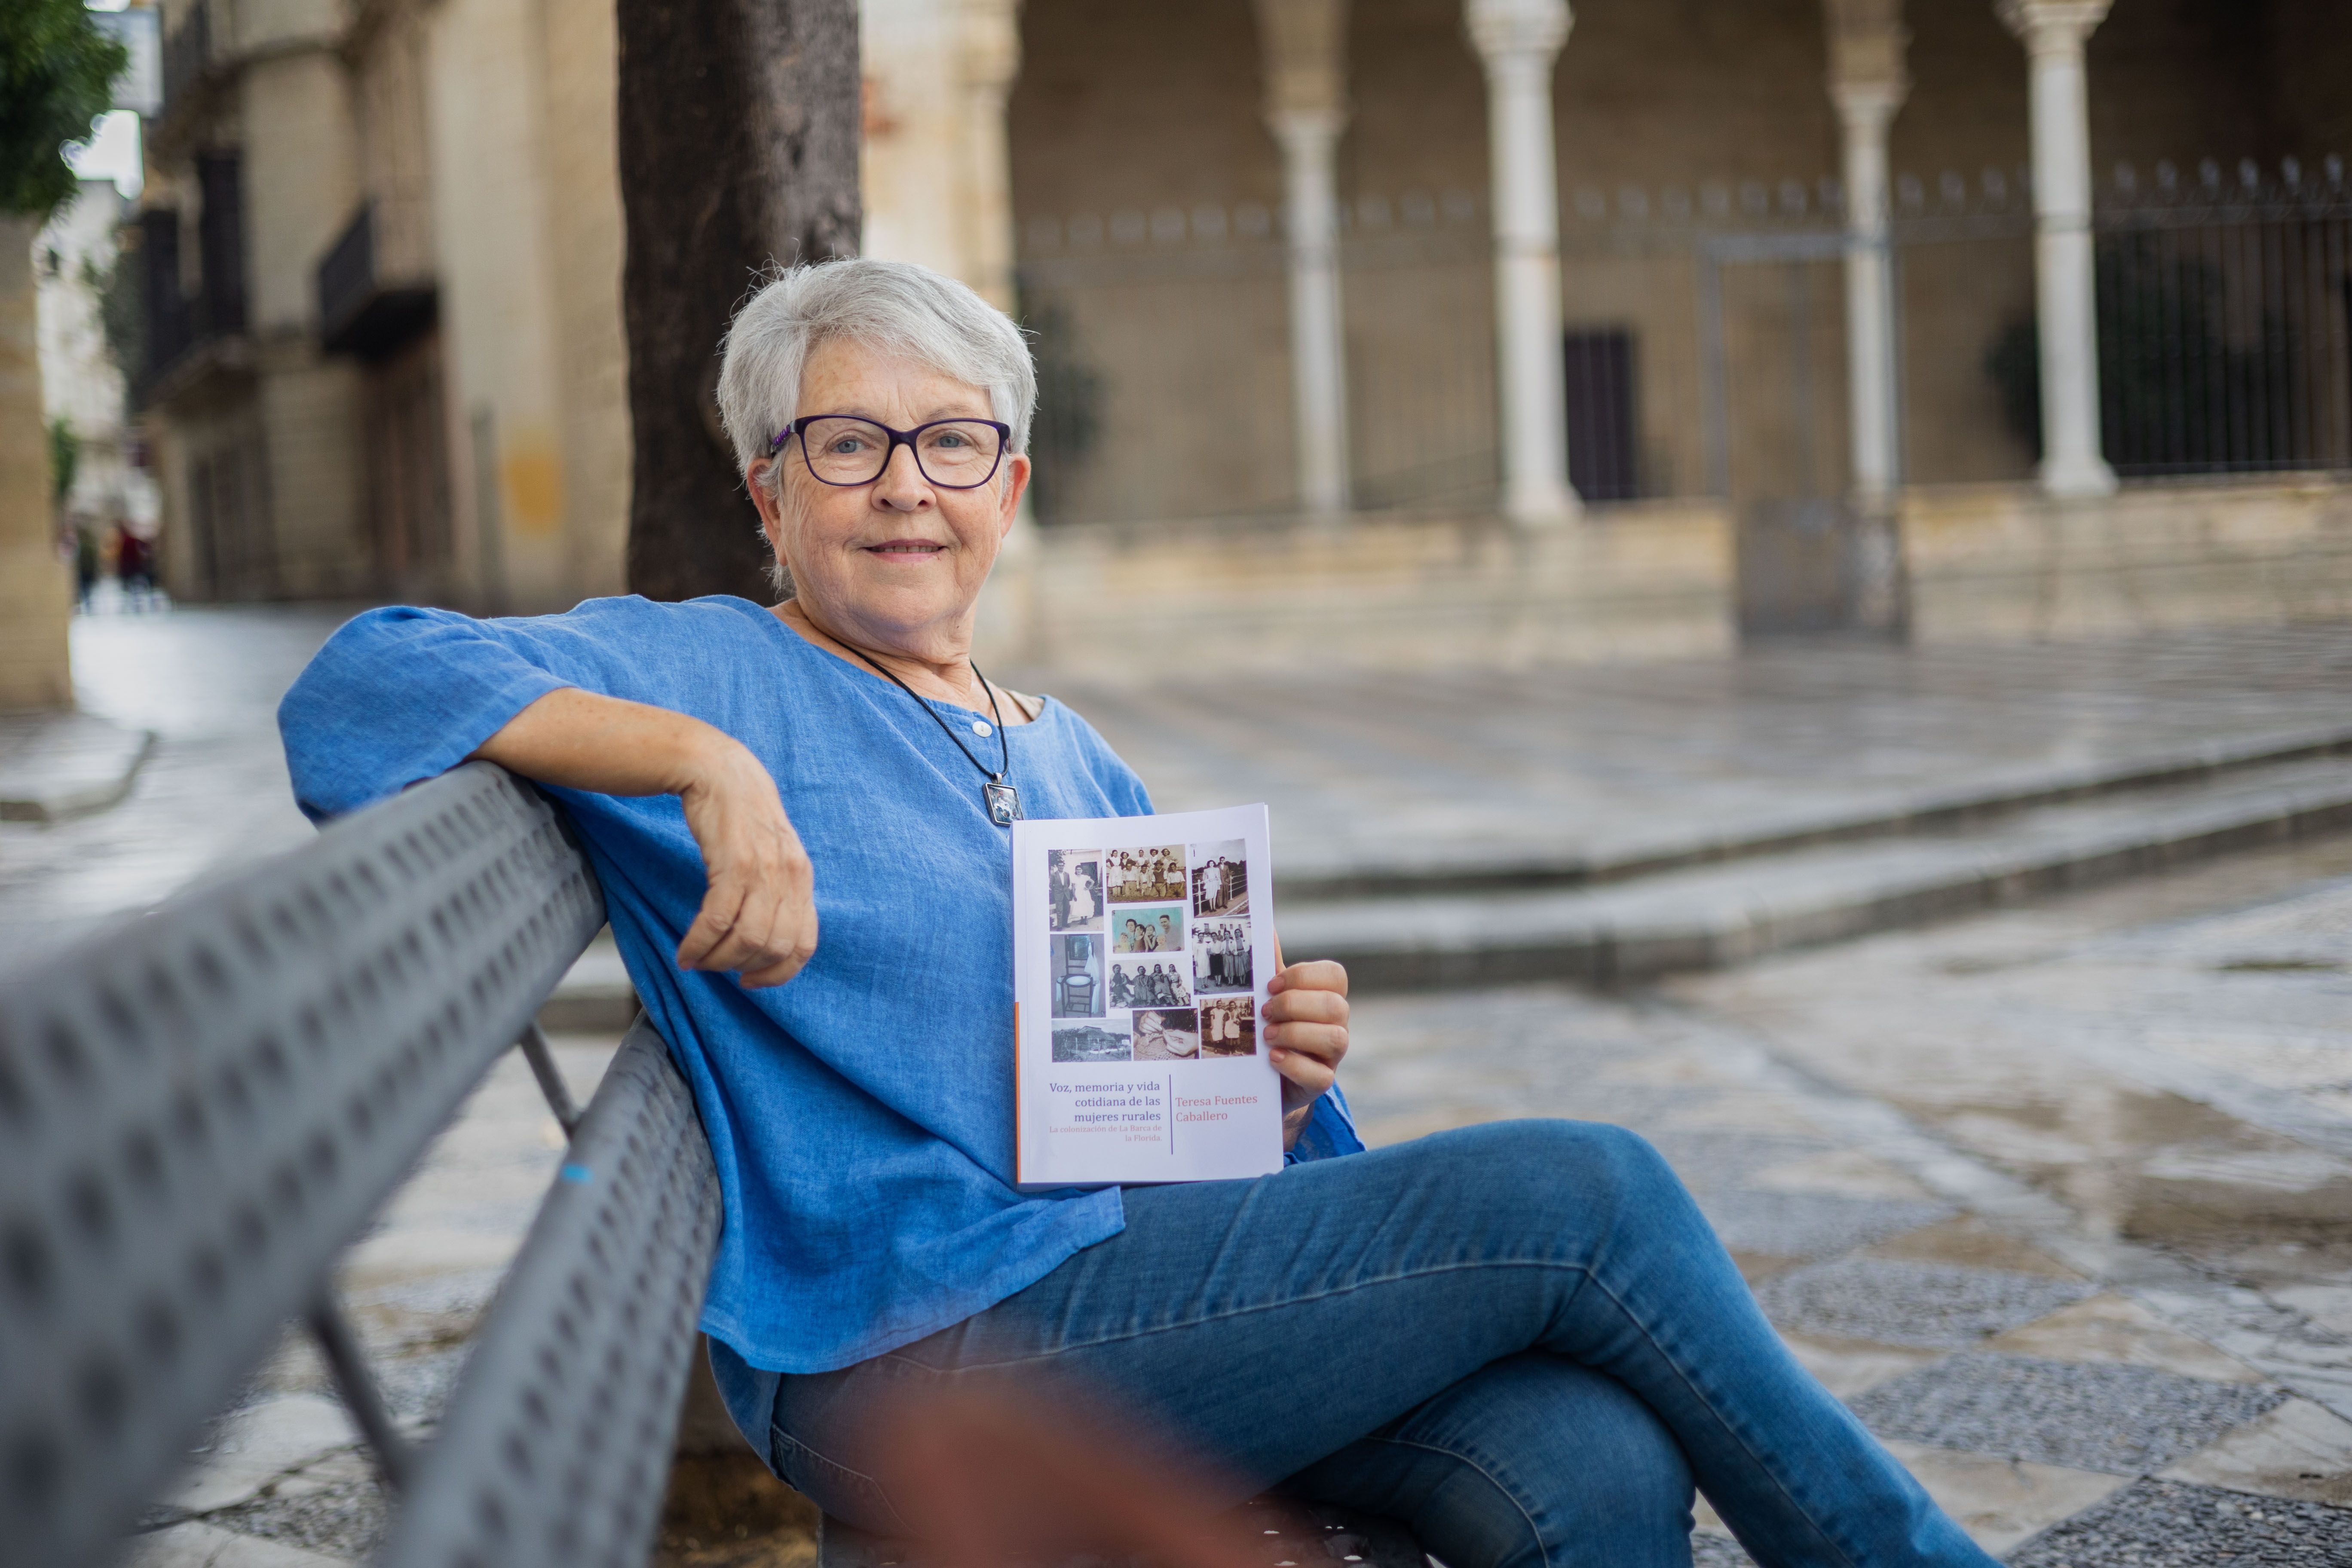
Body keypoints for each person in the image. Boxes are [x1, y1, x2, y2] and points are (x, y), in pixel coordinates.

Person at [276, 258, 1995, 1568]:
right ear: (769, 492)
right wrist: (702, 764)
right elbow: (359, 687)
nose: (905, 485)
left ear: (1009, 491)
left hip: (1127, 1302)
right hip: (908, 1344)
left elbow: (1148, 1126)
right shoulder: (719, 667)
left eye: (952, 443)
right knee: (1589, 1192)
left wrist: (1272, 1084)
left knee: (1590, 1457)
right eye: (848, 443)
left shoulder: (1072, 753)